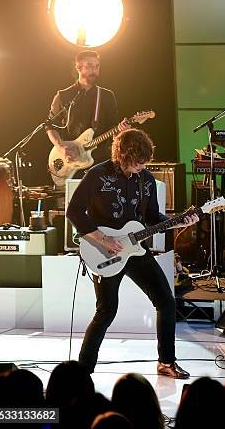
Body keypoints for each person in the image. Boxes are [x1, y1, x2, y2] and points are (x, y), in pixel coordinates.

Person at [66, 128, 197, 378]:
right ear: (122, 154)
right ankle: (82, 373)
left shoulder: (145, 179)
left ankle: (166, 362)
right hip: (104, 252)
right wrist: (102, 239)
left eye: (145, 161)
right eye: (138, 161)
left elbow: (151, 218)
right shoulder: (97, 175)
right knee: (106, 311)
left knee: (166, 302)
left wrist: (177, 221)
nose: (142, 166)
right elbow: (74, 212)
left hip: (136, 251)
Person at [47, 50, 129, 168]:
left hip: (100, 161)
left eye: (97, 66)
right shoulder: (63, 96)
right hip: (71, 159)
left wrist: (121, 130)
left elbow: (113, 126)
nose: (94, 70)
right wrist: (60, 147)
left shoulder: (107, 96)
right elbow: (50, 125)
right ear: (78, 67)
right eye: (90, 66)